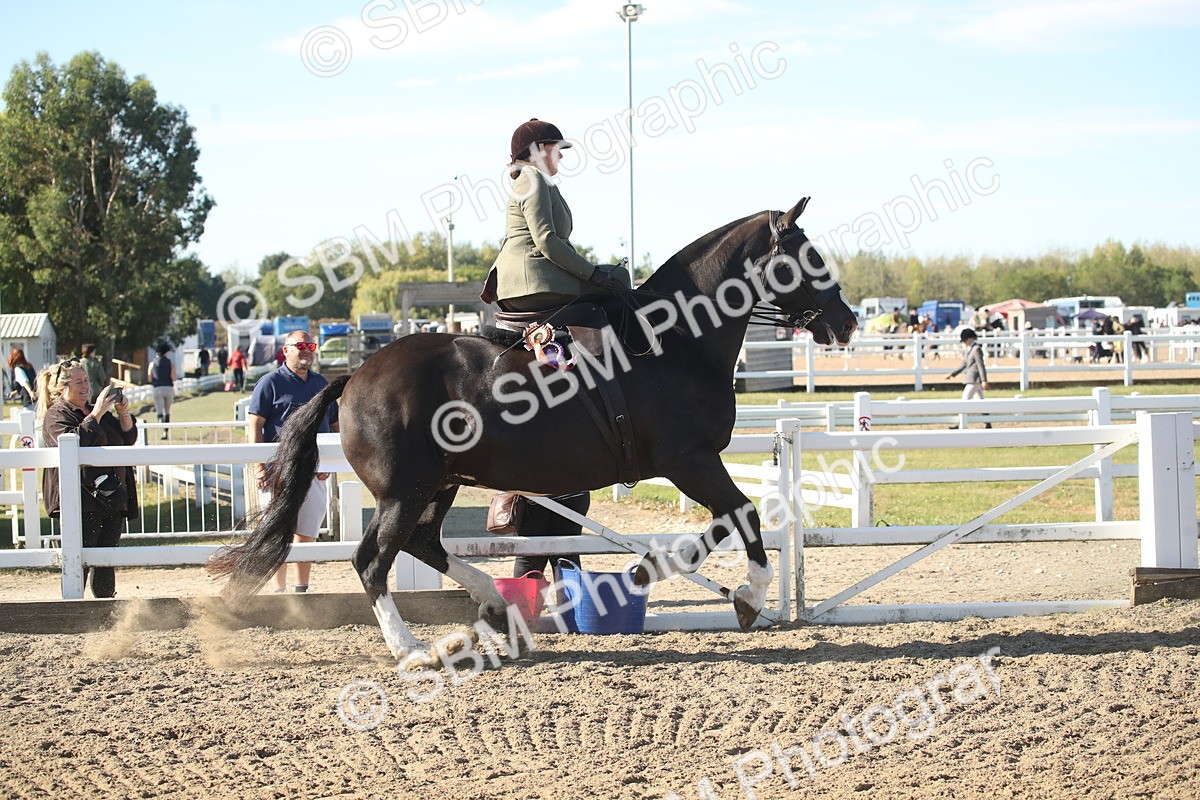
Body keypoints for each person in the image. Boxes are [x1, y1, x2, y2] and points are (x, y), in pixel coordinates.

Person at [484, 118, 631, 313]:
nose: (561, 155)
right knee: (619, 276)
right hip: (535, 281)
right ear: (539, 149)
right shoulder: (532, 177)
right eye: (557, 148)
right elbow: (545, 239)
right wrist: (591, 273)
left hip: (529, 281)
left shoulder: (536, 179)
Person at [248, 330, 339, 594]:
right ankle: (279, 592)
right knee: (278, 532)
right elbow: (255, 425)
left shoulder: (322, 384)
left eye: (310, 346)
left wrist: (330, 464)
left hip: (314, 471)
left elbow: (335, 425)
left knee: (306, 533)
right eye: (300, 346)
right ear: (285, 350)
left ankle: (302, 590)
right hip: (277, 471)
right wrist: (259, 466)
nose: (306, 350)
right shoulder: (269, 383)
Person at [38, 360, 138, 598]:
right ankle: (73, 607)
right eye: (78, 382)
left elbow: (128, 438)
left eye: (86, 380)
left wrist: (123, 413)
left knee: (106, 559)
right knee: (79, 560)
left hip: (112, 496)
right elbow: (73, 441)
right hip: (82, 500)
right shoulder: (56, 415)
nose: (85, 386)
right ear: (63, 388)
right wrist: (97, 413)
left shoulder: (96, 411)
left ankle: (105, 608)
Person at [512, 492, 591, 579]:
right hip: (573, 491)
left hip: (532, 493)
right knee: (566, 553)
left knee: (530, 554)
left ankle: (526, 587)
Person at [946, 328, 991, 429]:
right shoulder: (970, 349)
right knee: (981, 402)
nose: (964, 342)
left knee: (964, 400)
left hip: (974, 380)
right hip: (973, 380)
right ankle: (988, 423)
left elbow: (980, 365)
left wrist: (984, 380)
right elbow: (964, 364)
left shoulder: (976, 349)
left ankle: (961, 424)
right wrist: (953, 374)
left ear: (970, 338)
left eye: (965, 340)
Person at [150, 343, 176, 440]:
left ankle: (161, 424)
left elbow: (149, 377)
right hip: (168, 388)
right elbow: (173, 377)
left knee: (159, 411)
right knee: (167, 411)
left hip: (157, 388)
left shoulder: (152, 363)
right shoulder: (170, 363)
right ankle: (165, 432)